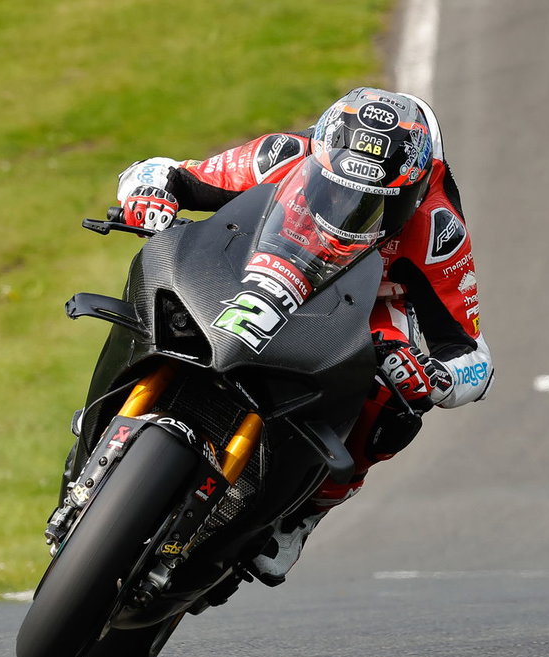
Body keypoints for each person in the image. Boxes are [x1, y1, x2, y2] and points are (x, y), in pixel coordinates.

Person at [112, 87, 494, 584]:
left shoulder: (438, 229)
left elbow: (474, 355)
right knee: (162, 267)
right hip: (260, 262)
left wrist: (437, 377)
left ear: (414, 191)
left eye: (374, 204)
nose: (351, 210)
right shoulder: (283, 154)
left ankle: (301, 515)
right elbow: (168, 172)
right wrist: (150, 194)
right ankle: (117, 400)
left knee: (397, 401)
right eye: (337, 189)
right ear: (319, 154)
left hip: (365, 305)